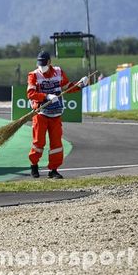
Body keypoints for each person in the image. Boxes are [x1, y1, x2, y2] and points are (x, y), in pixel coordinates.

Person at [26, 51, 88, 179]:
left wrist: (80, 84)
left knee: (56, 144)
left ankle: (53, 170)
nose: (41, 66)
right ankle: (34, 166)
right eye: (39, 64)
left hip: (56, 114)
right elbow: (31, 94)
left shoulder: (59, 72)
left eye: (44, 64)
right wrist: (46, 96)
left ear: (49, 62)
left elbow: (68, 87)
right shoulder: (33, 75)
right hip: (40, 114)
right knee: (39, 142)